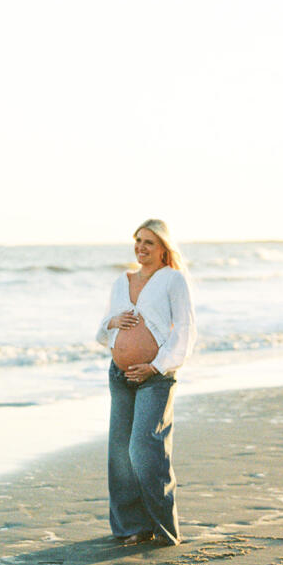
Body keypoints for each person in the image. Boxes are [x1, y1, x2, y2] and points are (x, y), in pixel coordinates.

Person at [96, 219, 196, 547]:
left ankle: (164, 529)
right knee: (120, 454)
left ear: (164, 247)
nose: (141, 247)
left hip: (155, 378)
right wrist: (111, 322)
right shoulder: (120, 281)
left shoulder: (173, 280)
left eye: (149, 242)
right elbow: (105, 331)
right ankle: (131, 528)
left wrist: (155, 367)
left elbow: (184, 331)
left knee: (144, 451)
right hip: (120, 375)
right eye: (137, 240)